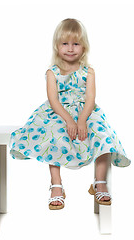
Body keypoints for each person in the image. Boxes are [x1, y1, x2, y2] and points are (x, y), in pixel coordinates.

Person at [9, 18, 131, 210]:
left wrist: (81, 120)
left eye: (76, 43)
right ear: (57, 46)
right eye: (65, 43)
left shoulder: (88, 72)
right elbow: (53, 100)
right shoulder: (53, 72)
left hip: (86, 111)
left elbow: (90, 98)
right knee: (54, 134)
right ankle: (56, 184)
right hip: (59, 111)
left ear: (84, 47)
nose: (70, 48)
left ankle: (99, 182)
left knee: (103, 135)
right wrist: (69, 121)